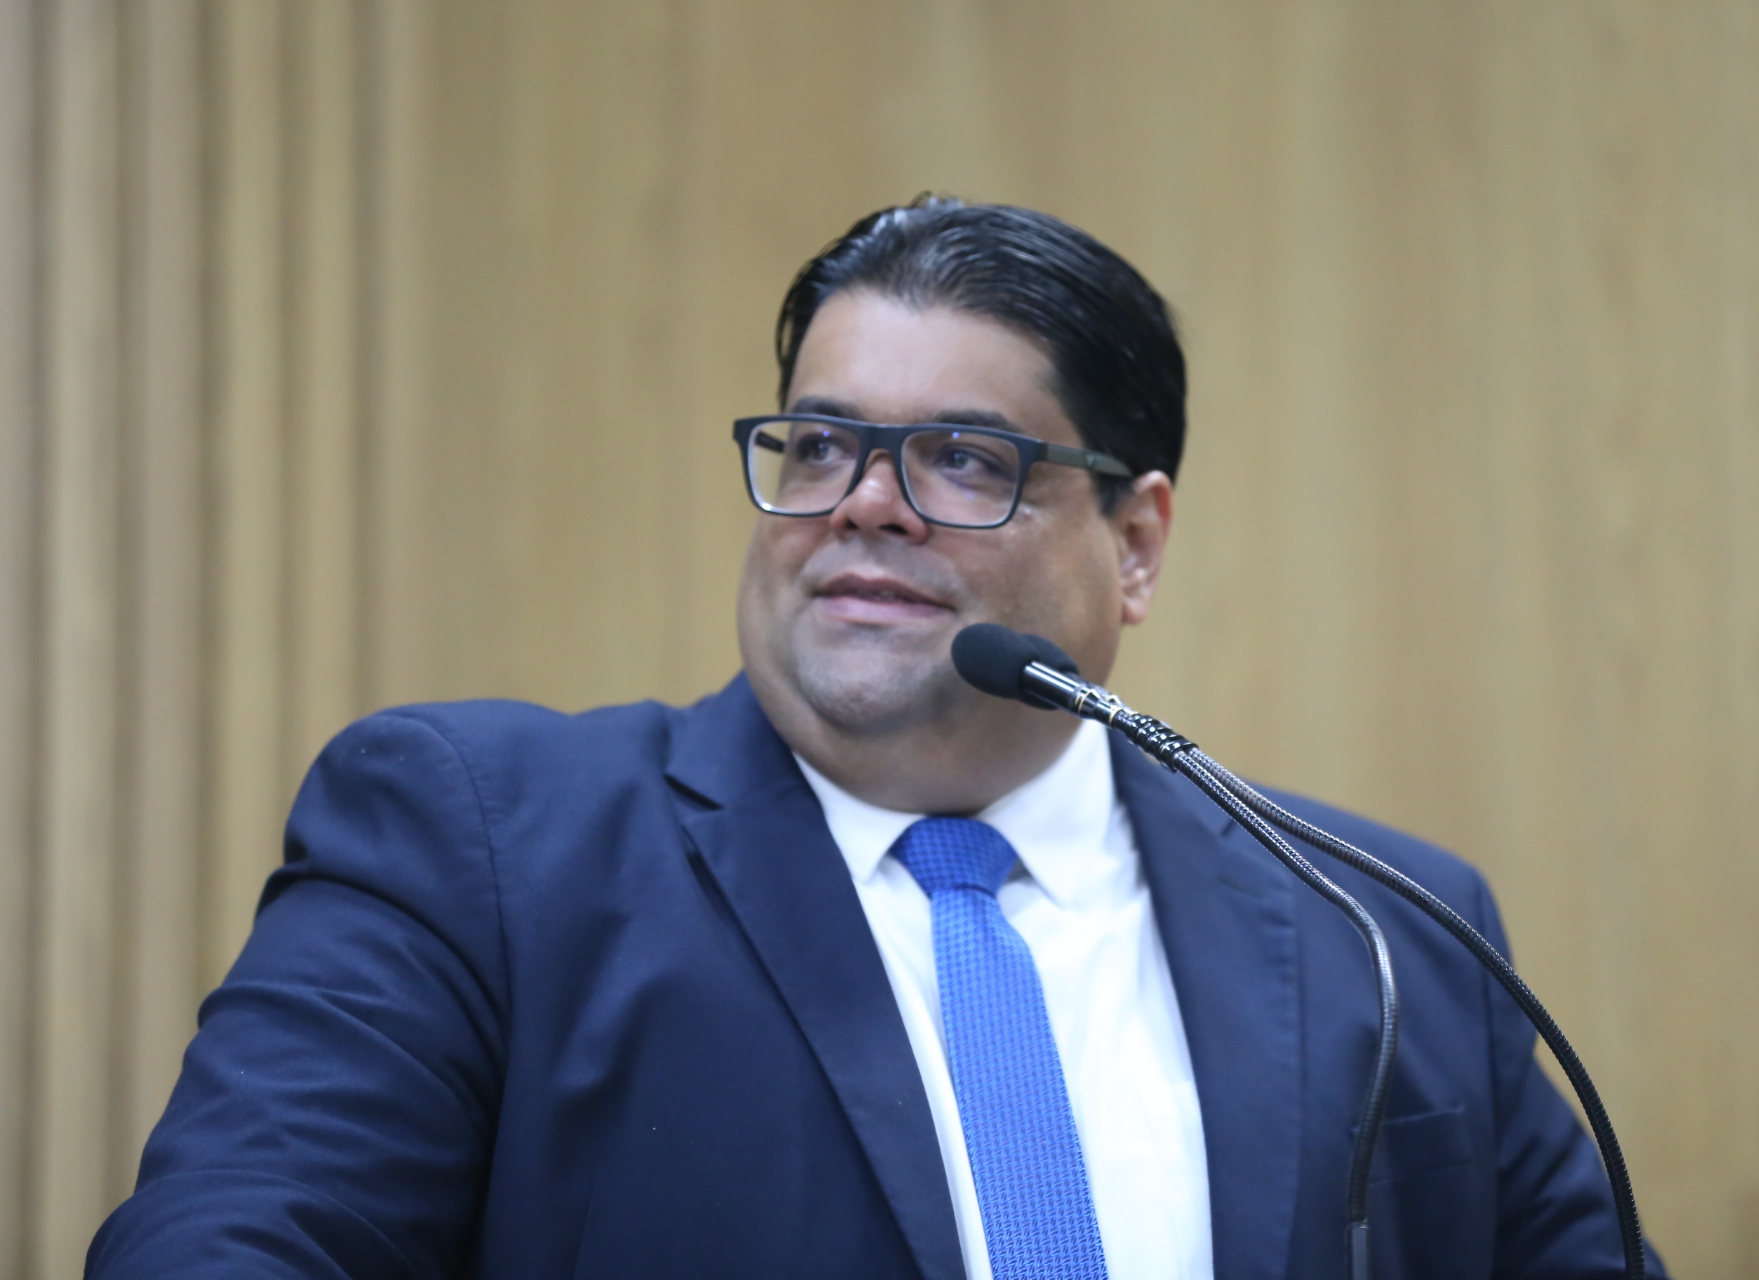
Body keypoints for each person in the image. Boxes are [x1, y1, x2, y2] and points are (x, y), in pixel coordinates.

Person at [89, 197, 1661, 1279]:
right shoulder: (479, 848)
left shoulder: (1381, 928)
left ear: (1135, 545)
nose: (862, 504)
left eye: (962, 459)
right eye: (821, 443)